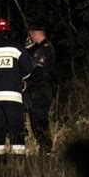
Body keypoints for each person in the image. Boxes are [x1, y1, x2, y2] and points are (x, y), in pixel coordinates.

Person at [0, 19, 32, 160]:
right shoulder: (16, 48)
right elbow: (28, 68)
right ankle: (19, 162)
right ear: (8, 31)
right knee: (17, 130)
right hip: (13, 97)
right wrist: (18, 76)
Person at [24, 25, 56, 154]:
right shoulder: (39, 48)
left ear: (36, 33)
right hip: (36, 91)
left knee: (40, 122)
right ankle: (44, 150)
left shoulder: (45, 48)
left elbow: (38, 72)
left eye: (31, 34)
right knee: (35, 123)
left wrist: (26, 78)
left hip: (41, 91)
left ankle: (46, 151)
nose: (30, 37)